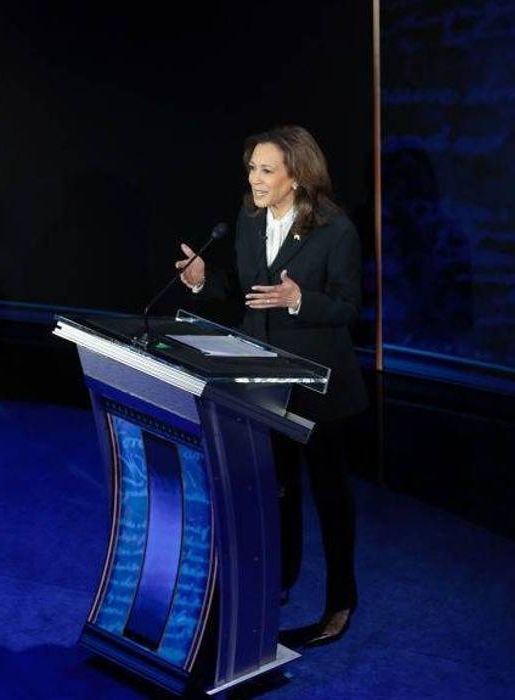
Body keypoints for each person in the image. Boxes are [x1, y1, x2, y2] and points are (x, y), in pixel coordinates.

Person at [176, 125, 366, 648]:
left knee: (329, 494)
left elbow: (350, 309)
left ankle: (340, 601)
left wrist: (299, 300)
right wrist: (200, 282)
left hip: (318, 384)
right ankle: (278, 582)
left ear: (297, 177)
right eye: (251, 169)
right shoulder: (248, 217)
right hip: (262, 377)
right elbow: (242, 290)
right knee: (277, 487)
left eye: (266, 170)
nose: (254, 180)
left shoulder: (336, 230)